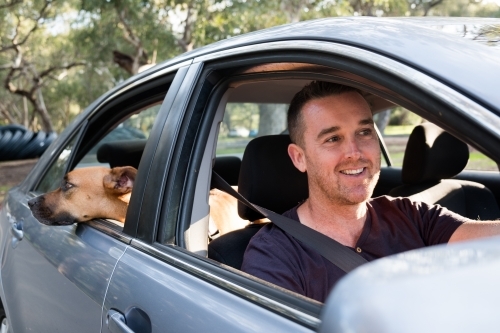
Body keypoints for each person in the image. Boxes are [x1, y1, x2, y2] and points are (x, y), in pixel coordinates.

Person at [240, 81, 500, 303]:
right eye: (333, 138)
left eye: (364, 132)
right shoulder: (274, 254)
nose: (355, 152)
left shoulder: (410, 215)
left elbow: (490, 241)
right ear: (299, 158)